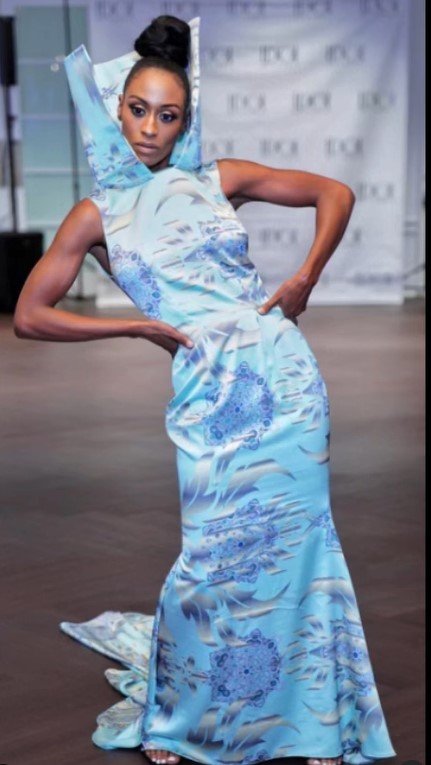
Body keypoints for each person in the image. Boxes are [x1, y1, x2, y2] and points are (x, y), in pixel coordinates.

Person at [13, 14, 397, 765]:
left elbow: (336, 191)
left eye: (168, 116)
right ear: (115, 108)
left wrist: (304, 278)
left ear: (186, 122)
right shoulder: (96, 214)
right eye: (138, 110)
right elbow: (29, 315)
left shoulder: (218, 178)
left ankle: (316, 717)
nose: (149, 129)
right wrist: (134, 326)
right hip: (208, 393)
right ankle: (183, 716)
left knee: (302, 548)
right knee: (211, 555)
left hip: (284, 377)